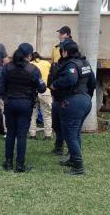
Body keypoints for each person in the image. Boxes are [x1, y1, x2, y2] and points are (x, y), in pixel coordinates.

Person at [0, 43, 46, 173]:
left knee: (10, 133)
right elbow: (42, 88)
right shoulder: (33, 69)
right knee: (22, 135)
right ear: (29, 55)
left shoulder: (7, 68)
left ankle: (8, 162)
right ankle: (20, 165)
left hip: (10, 103)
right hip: (25, 104)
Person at [50, 39, 96, 175]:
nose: (60, 52)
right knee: (74, 134)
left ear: (65, 52)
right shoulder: (84, 62)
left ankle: (78, 167)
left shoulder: (71, 65)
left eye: (61, 50)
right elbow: (92, 83)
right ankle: (72, 159)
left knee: (69, 135)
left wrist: (55, 85)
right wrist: (87, 96)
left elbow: (71, 79)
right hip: (84, 101)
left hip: (73, 102)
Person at [48, 26, 73, 155]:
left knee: (67, 124)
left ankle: (70, 150)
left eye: (62, 33)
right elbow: (52, 64)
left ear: (68, 34)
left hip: (67, 94)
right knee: (56, 122)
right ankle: (58, 147)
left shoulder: (73, 49)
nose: (60, 35)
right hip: (57, 92)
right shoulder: (56, 47)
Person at [29, 52, 52, 140]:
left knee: (32, 115)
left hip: (33, 92)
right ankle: (48, 135)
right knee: (47, 114)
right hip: (45, 91)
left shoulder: (29, 64)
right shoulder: (47, 63)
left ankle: (32, 135)